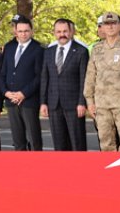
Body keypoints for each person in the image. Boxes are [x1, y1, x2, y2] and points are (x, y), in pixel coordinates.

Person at [84, 12, 120, 152]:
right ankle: (111, 174)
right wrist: (90, 101)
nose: (110, 27)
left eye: (113, 23)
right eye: (106, 24)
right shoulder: (97, 49)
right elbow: (90, 76)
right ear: (102, 27)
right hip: (101, 105)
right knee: (106, 143)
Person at [37, 18, 89, 151]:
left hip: (74, 105)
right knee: (59, 145)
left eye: (65, 31)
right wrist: (43, 102)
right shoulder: (48, 51)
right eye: (59, 31)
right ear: (54, 33)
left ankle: (81, 170)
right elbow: (44, 78)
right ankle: (63, 170)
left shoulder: (81, 51)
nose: (62, 34)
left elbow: (84, 79)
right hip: (54, 104)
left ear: (71, 32)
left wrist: (82, 102)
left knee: (77, 143)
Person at [1, 16, 42, 151]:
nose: (23, 34)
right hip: (11, 100)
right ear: (16, 32)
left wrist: (23, 94)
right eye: (20, 31)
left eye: (26, 31)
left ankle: (37, 169)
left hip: (28, 101)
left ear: (31, 31)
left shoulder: (38, 49)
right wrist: (6, 93)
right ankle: (22, 169)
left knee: (34, 139)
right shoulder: (9, 47)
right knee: (18, 141)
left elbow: (39, 76)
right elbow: (3, 73)